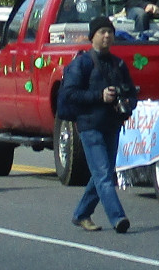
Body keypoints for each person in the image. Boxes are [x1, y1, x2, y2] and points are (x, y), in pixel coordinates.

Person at [56, 19, 134, 234]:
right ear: (93, 36)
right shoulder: (81, 64)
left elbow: (132, 92)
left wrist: (128, 103)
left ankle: (81, 214)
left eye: (110, 32)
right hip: (90, 126)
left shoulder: (118, 64)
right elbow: (69, 94)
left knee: (104, 174)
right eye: (102, 32)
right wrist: (99, 96)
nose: (107, 36)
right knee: (103, 174)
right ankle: (118, 218)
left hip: (113, 125)